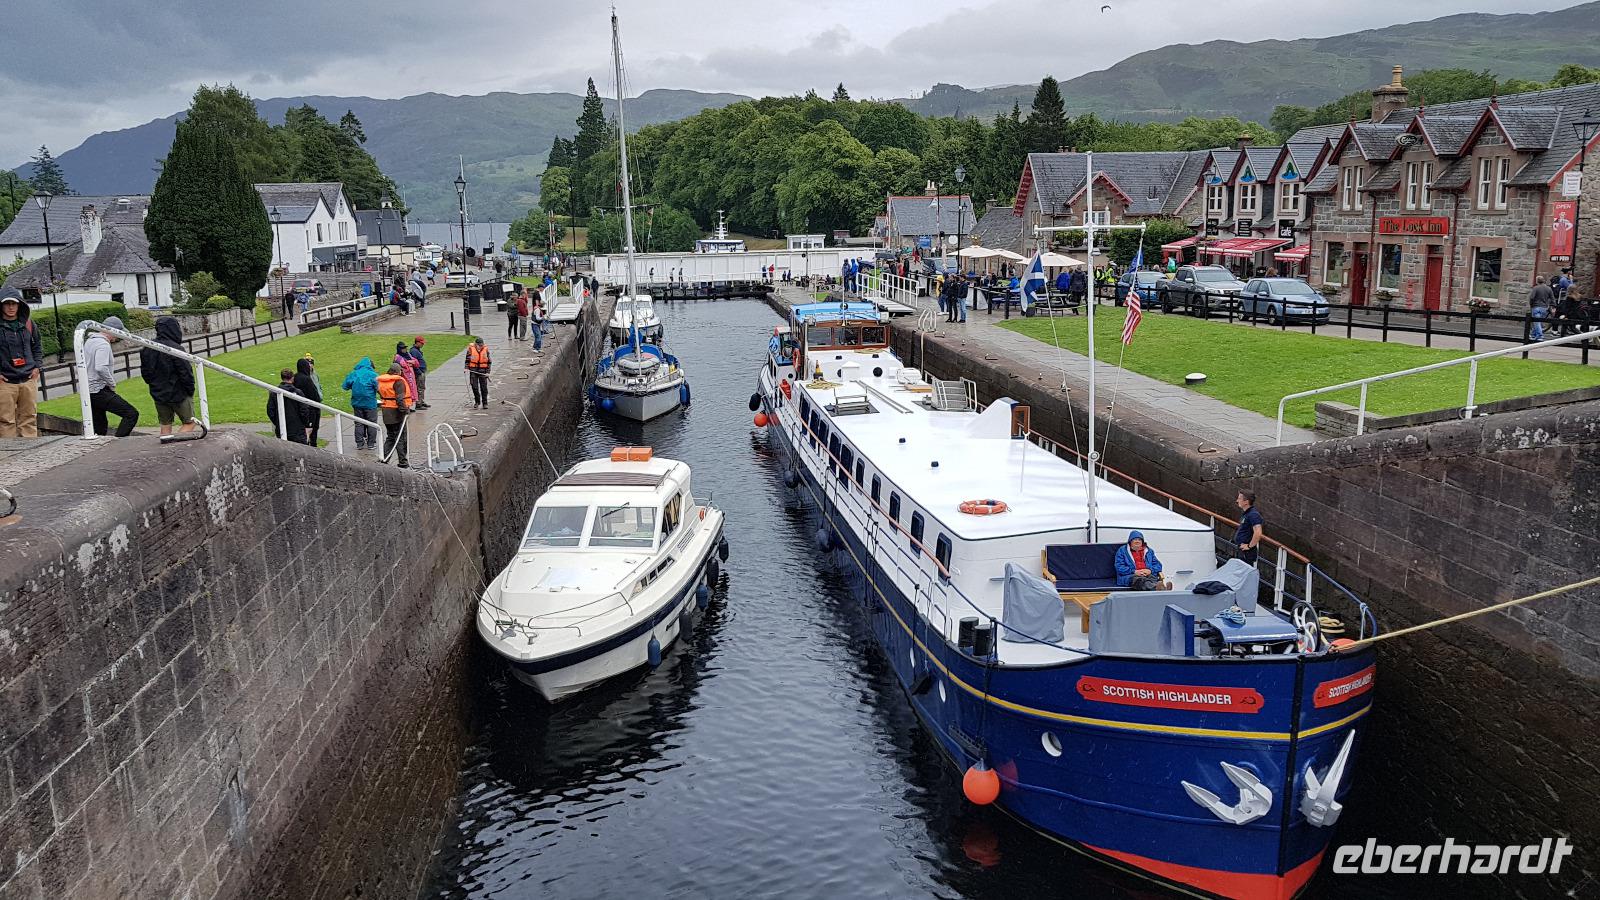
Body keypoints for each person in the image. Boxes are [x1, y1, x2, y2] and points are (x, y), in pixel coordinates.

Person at [140, 316, 197, 438]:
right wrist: (190, 390)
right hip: (179, 393)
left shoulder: (147, 348)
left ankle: (165, 445)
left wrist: (154, 386)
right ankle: (174, 443)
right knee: (190, 423)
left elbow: (145, 373)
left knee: (165, 424)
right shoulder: (176, 349)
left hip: (158, 393)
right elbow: (185, 372)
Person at [86, 316, 139, 437]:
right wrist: (112, 383)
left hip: (88, 390)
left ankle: (100, 448)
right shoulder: (103, 345)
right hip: (98, 389)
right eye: (118, 333)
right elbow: (100, 367)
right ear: (112, 331)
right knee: (131, 414)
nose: (118, 337)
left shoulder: (89, 341)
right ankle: (118, 442)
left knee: (100, 425)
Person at [0, 289, 43, 439]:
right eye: (7, 304)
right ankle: (10, 455)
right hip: (5, 381)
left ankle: (30, 451)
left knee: (30, 417)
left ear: (20, 305)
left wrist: (37, 366)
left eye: (14, 304)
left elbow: (37, 346)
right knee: (6, 421)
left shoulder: (29, 325)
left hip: (28, 378)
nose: (11, 307)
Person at [377, 362, 412, 467]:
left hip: (386, 411)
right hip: (396, 412)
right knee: (400, 437)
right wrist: (405, 410)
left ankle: (384, 458)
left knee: (391, 436)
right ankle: (403, 461)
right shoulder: (398, 382)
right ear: (398, 371)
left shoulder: (381, 381)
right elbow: (400, 399)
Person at [341, 356, 380, 449]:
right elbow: (379, 388)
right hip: (370, 403)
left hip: (357, 403)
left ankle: (359, 443)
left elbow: (345, 386)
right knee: (372, 423)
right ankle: (371, 443)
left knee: (359, 423)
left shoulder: (354, 374)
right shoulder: (373, 375)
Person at [267, 368, 310, 444]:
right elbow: (304, 410)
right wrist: (305, 423)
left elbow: (270, 411)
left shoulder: (274, 393)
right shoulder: (298, 393)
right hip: (297, 430)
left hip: (282, 428)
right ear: (292, 377)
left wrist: (277, 422)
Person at [292, 356, 323, 445]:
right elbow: (314, 394)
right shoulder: (307, 379)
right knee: (312, 429)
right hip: (311, 408)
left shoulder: (295, 377)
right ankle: (312, 445)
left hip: (300, 407)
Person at [1235, 490, 1264, 564]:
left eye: (1239, 499)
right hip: (1241, 550)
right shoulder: (1247, 514)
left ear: (1246, 502)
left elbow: (1258, 532)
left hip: (1246, 553)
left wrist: (1249, 546)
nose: (1237, 501)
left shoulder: (1253, 515)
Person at [466, 337, 491, 408]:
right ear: (475, 344)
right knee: (474, 387)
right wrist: (466, 368)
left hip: (483, 371)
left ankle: (485, 403)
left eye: (481, 345)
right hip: (473, 370)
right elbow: (467, 360)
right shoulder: (470, 350)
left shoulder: (486, 350)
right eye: (479, 345)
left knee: (484, 388)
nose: (480, 346)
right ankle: (477, 401)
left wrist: (488, 372)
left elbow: (489, 362)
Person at [393, 341, 419, 410]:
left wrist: (410, 362)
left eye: (405, 348)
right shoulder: (397, 357)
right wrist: (410, 363)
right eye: (403, 348)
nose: (404, 349)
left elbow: (416, 362)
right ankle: (405, 406)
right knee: (405, 391)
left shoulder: (408, 355)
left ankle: (408, 405)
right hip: (403, 377)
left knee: (411, 390)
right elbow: (404, 365)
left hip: (410, 376)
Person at [1529, 275, 1555, 342]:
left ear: (1537, 281)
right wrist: (1553, 305)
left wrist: (1531, 304)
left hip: (1536, 306)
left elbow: (1532, 298)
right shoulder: (1549, 288)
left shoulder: (1536, 288)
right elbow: (1552, 298)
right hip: (1544, 308)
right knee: (1538, 322)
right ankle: (1533, 334)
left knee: (1536, 322)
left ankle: (1540, 336)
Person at [408, 336, 430, 409]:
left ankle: (421, 401)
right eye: (421, 343)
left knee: (422, 387)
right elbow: (414, 363)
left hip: (421, 371)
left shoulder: (417, 350)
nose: (422, 345)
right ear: (417, 343)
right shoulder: (414, 351)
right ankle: (419, 403)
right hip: (419, 372)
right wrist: (419, 372)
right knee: (420, 387)